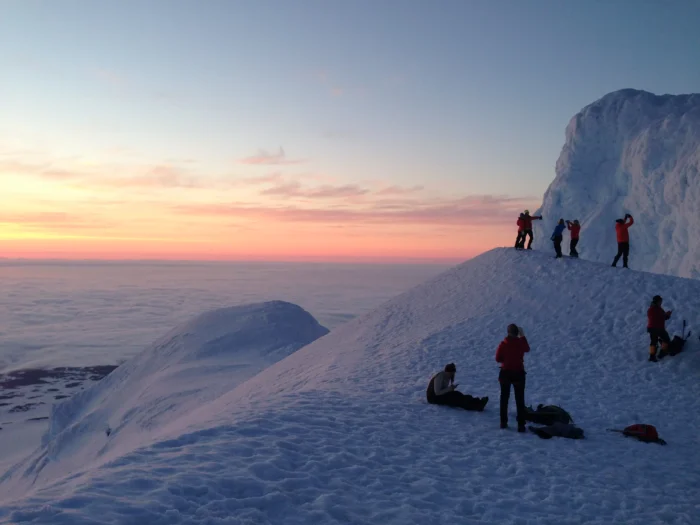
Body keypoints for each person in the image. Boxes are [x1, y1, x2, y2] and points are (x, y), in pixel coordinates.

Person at [495, 324, 530, 431]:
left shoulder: (503, 344)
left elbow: (497, 358)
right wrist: (523, 336)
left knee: (504, 398)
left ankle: (503, 422)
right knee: (519, 399)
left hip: (505, 373)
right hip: (518, 373)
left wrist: (506, 360)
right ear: (517, 333)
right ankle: (521, 425)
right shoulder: (520, 343)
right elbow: (527, 349)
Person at [647, 295, 672, 362]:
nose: (661, 302)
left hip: (653, 328)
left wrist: (667, 315)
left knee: (654, 342)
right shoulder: (654, 309)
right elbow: (658, 317)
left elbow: (662, 317)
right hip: (657, 328)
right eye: (660, 301)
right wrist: (665, 315)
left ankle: (652, 356)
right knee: (666, 339)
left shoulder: (655, 308)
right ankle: (662, 353)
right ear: (657, 301)